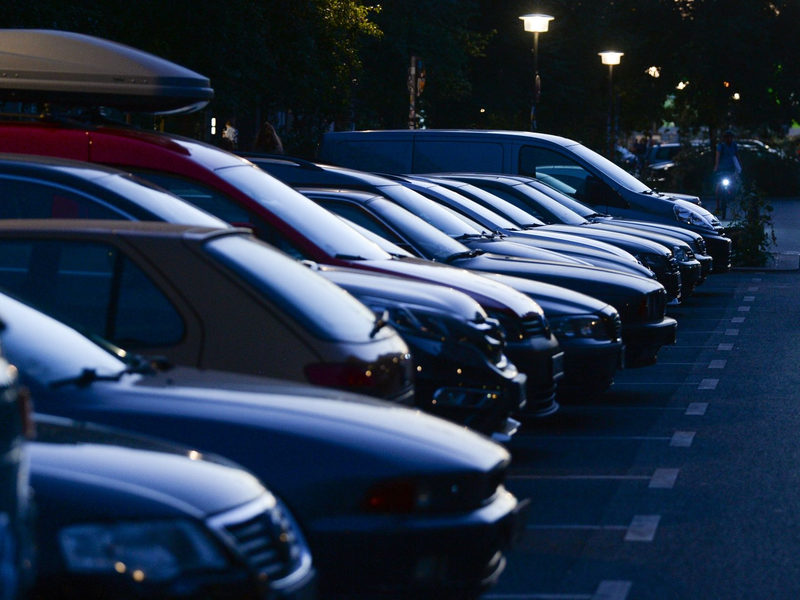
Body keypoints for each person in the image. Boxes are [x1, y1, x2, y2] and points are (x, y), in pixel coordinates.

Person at [714, 130, 740, 218]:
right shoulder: (721, 146)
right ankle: (718, 207)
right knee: (718, 189)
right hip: (722, 169)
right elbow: (718, 156)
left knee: (733, 187)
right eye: (728, 137)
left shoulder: (734, 145)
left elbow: (736, 156)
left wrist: (739, 167)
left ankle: (734, 208)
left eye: (731, 137)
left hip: (730, 170)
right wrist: (716, 166)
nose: (730, 139)